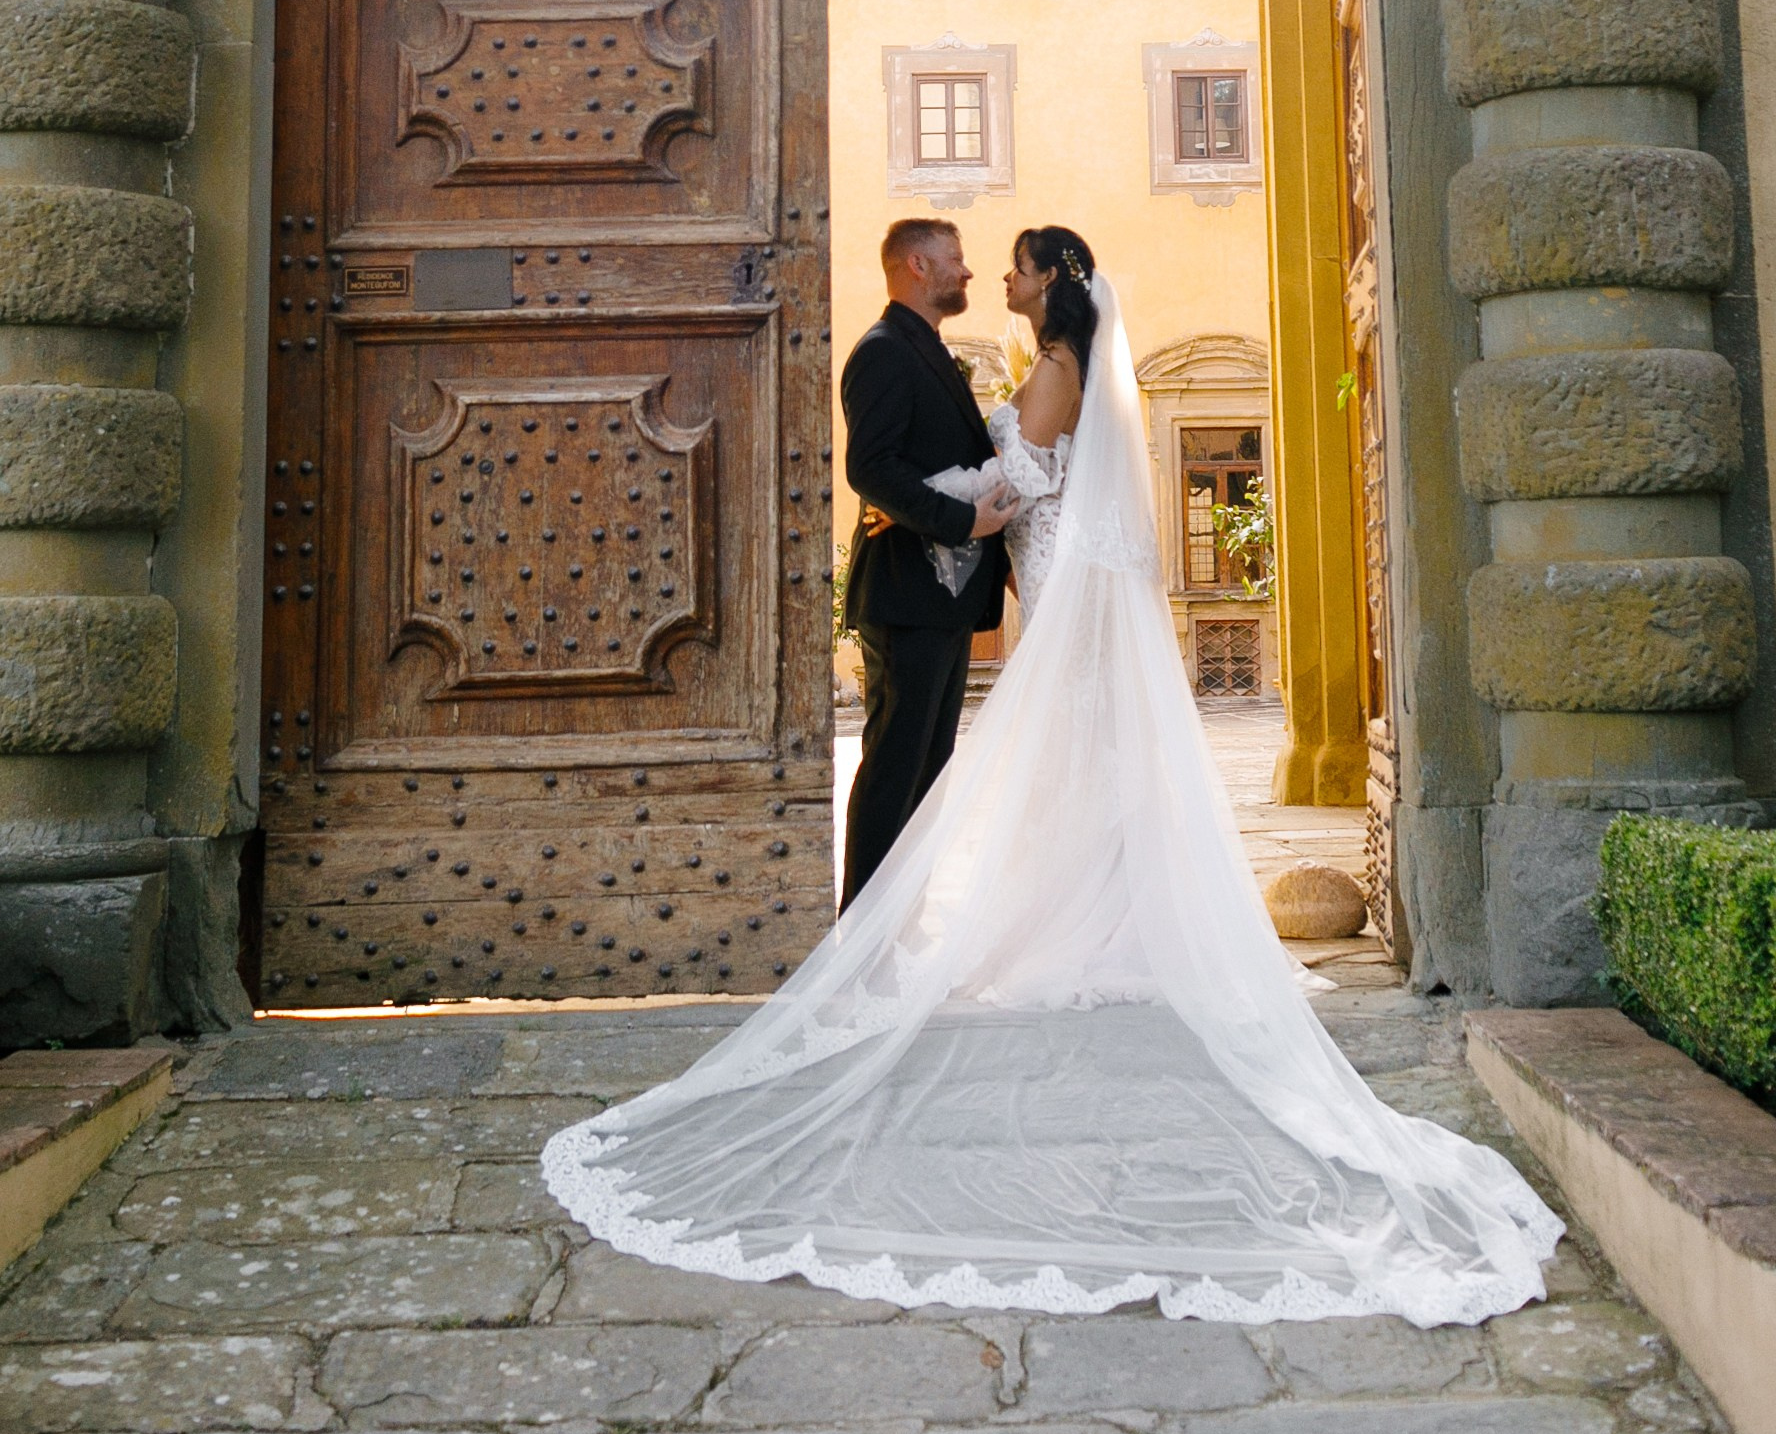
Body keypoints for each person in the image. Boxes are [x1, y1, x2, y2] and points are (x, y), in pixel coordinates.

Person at [542, 228, 1566, 1327]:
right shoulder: (994, 362)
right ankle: (984, 923)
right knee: (1024, 771)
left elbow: (1016, 475)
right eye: (969, 258)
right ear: (915, 266)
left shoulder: (1054, 372)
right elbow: (949, 470)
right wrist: (936, 502)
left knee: (1035, 768)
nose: (995, 274)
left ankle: (1051, 925)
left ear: (1053, 286)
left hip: (1046, 588)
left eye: (1018, 264)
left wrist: (943, 499)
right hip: (1008, 586)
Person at [834, 218, 1016, 907]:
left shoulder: (928, 351)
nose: (967, 272)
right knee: (894, 767)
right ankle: (864, 927)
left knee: (927, 770)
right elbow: (870, 468)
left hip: (941, 599)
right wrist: (963, 518)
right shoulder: (883, 350)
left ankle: (898, 921)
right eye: (954, 259)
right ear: (915, 264)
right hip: (906, 593)